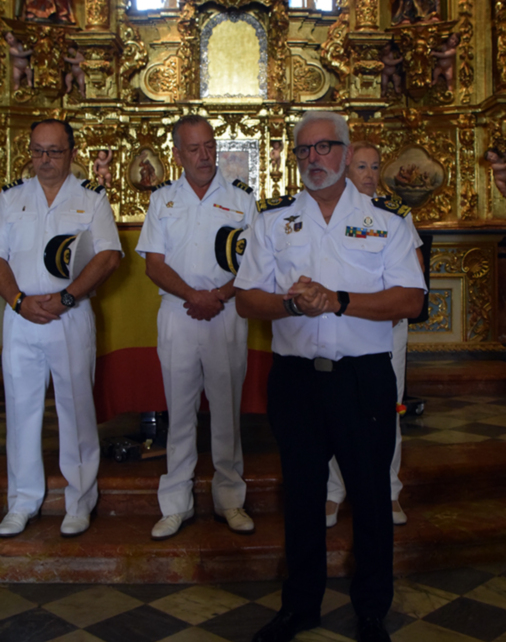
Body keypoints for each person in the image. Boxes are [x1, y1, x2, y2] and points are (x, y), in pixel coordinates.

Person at [235, 111, 426, 642]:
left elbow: (410, 299)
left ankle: (371, 611)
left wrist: (338, 301)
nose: (313, 159)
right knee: (301, 497)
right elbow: (247, 298)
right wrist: (293, 305)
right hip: (296, 379)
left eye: (323, 148)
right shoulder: (272, 219)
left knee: (369, 496)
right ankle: (300, 606)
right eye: (304, 151)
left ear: (345, 152)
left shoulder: (386, 218)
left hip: (362, 378)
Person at [136, 115, 257, 539]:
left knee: (226, 410)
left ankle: (230, 499)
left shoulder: (242, 200)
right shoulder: (163, 200)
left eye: (210, 146)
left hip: (226, 312)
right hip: (179, 314)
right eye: (194, 149)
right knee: (180, 410)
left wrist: (218, 296)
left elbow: (255, 263)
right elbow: (154, 263)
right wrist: (194, 296)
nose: (205, 156)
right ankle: (175, 503)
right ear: (177, 154)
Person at [0, 119, 121, 538]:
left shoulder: (91, 198)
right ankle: (23, 500)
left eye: (53, 151)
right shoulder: (10, 198)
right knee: (20, 409)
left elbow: (108, 256)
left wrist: (68, 296)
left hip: (70, 314)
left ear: (72, 152)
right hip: (21, 316)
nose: (45, 160)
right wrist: (18, 300)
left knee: (75, 409)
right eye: (37, 151)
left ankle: (80, 499)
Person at [325, 142, 424, 530]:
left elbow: (413, 270)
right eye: (361, 166)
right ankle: (334, 491)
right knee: (333, 411)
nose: (368, 174)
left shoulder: (394, 214)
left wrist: (393, 305)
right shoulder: (328, 210)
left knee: (388, 410)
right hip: (341, 325)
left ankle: (389, 489)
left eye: (374, 167)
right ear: (346, 169)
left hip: (386, 327)